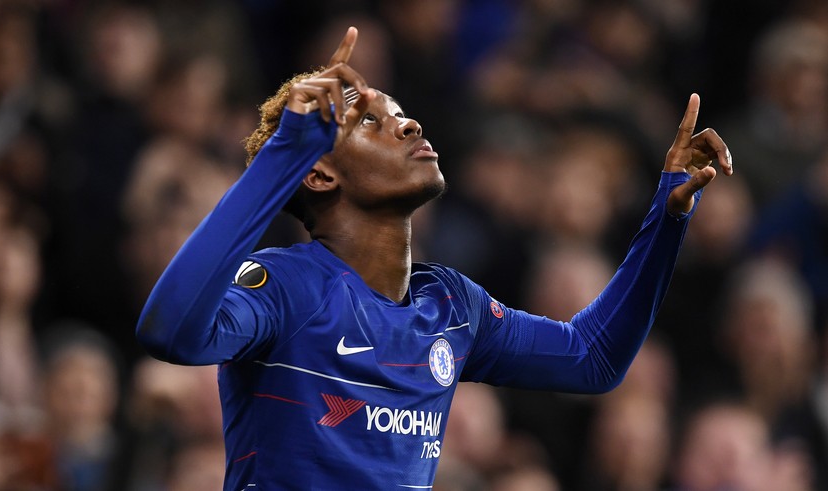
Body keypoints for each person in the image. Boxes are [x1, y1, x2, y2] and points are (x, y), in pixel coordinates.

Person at [135, 27, 733, 489]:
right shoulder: (288, 287)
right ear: (317, 172)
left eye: (399, 113)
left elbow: (593, 359)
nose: (408, 122)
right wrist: (279, 158)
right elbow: (171, 333)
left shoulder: (450, 307)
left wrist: (669, 214)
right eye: (372, 121)